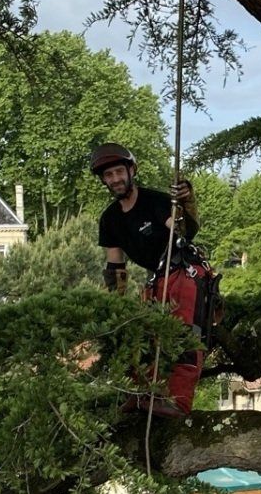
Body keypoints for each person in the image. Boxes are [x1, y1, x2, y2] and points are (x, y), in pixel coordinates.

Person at [90, 142, 218, 417]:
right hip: (157, 280)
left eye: (118, 172)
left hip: (185, 271)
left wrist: (185, 201)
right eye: (108, 176)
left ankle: (178, 401)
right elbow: (115, 268)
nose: (115, 179)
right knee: (140, 333)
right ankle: (140, 395)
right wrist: (117, 311)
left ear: (132, 170)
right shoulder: (110, 220)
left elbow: (184, 231)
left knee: (184, 333)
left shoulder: (156, 202)